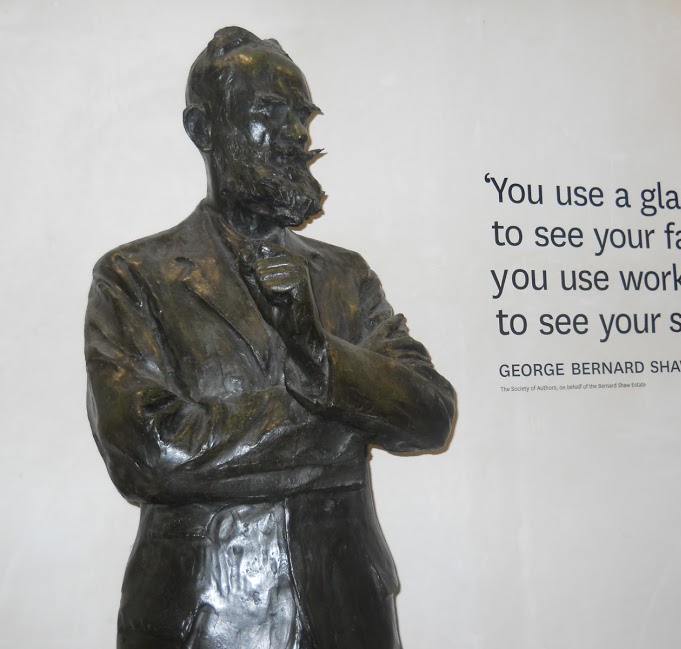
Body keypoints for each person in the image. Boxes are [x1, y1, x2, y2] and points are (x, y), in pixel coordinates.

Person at [85, 26, 455, 649]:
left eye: (302, 116)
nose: (295, 133)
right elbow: (149, 455)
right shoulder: (135, 276)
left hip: (347, 611)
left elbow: (431, 416)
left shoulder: (345, 275)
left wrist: (320, 355)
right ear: (202, 129)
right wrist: (342, 414)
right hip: (202, 618)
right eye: (269, 112)